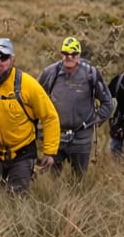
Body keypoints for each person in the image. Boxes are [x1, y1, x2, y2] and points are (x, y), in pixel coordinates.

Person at [0, 38, 60, 192]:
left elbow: (49, 116)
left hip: (22, 153)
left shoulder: (27, 84)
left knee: (17, 196)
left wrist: (49, 151)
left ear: (12, 59)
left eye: (4, 58)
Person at [38, 36, 114, 177]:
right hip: (55, 137)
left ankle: (78, 199)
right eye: (66, 53)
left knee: (79, 179)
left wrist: (94, 122)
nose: (69, 57)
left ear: (79, 55)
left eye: (74, 54)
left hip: (81, 138)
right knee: (51, 179)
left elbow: (108, 102)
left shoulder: (90, 73)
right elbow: (35, 99)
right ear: (62, 54)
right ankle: (51, 198)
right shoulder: (50, 73)